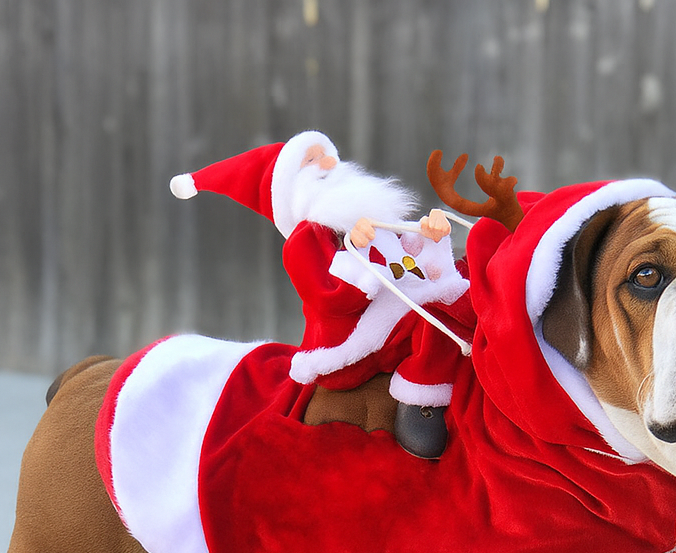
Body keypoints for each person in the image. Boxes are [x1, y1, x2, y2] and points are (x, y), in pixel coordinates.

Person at [170, 130, 472, 457]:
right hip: (349, 341)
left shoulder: (367, 217)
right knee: (430, 320)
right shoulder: (305, 240)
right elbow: (330, 296)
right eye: (312, 160)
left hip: (387, 317)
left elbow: (407, 262)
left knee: (459, 296)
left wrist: (430, 236)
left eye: (327, 154)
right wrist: (356, 248)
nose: (329, 163)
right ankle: (420, 397)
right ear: (290, 189)